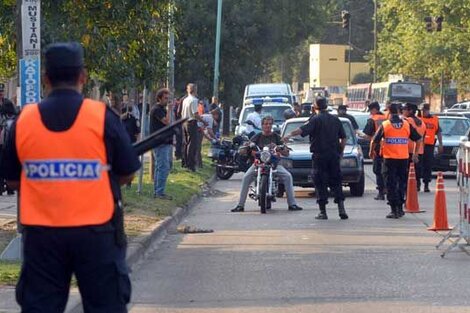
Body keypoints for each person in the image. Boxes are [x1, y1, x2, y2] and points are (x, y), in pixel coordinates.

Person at [3, 42, 141, 312]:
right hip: (96, 232)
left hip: (42, 235)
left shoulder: (24, 120)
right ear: (83, 76)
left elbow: (11, 180)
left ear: (45, 79)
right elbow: (127, 172)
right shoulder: (101, 117)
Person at [283, 97, 348, 220]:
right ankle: (341, 209)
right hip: (333, 155)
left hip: (320, 156)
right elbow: (344, 138)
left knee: (320, 182)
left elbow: (302, 130)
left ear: (314, 107)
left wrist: (289, 135)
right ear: (326, 106)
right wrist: (340, 152)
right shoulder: (335, 119)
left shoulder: (315, 119)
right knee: (336, 181)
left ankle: (323, 212)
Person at [231, 116, 303, 212]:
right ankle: (240, 205)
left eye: (269, 124)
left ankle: (292, 204)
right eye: (265, 124)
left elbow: (286, 151)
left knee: (288, 176)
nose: (267, 126)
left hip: (274, 165)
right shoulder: (257, 136)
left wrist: (281, 148)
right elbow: (248, 145)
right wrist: (248, 146)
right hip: (258, 164)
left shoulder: (276, 137)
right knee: (246, 177)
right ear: (262, 125)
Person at [370, 103, 421, 218]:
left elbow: (374, 141)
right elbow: (418, 139)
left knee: (390, 184)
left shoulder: (386, 124)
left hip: (389, 159)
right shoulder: (406, 124)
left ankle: (394, 209)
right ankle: (400, 208)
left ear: (389, 111)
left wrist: (371, 151)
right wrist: (415, 154)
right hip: (403, 158)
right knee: (401, 183)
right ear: (399, 111)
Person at [149, 88, 173, 200]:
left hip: (165, 142)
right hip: (159, 143)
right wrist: (169, 110)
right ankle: (159, 192)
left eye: (168, 98)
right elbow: (166, 121)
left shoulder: (162, 109)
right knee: (163, 167)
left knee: (163, 167)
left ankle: (158, 191)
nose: (167, 101)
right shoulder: (157, 109)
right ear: (159, 98)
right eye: (165, 98)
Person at [362, 101, 387, 200]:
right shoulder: (386, 118)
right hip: (387, 148)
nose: (370, 113)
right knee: (386, 170)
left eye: (371, 111)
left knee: (377, 170)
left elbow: (368, 136)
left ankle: (381, 192)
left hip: (377, 148)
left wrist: (362, 136)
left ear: (374, 109)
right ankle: (387, 188)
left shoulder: (373, 120)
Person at [181, 83, 206, 171]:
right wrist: (203, 121)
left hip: (184, 122)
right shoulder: (194, 100)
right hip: (191, 122)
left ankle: (184, 162)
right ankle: (190, 165)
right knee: (192, 144)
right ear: (195, 90)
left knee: (186, 143)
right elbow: (195, 114)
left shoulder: (185, 100)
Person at [401, 103, 426, 191]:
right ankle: (417, 185)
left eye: (404, 109)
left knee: (408, 171)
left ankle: (409, 186)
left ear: (410, 111)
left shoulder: (406, 121)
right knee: (417, 170)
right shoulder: (422, 122)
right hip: (420, 150)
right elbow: (423, 137)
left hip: (409, 150)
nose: (402, 111)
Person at [419, 103, 443, 192]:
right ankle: (417, 183)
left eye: (424, 110)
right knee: (418, 165)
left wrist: (440, 144)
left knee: (428, 165)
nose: (423, 112)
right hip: (419, 145)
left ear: (428, 110)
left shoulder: (434, 119)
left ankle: (426, 184)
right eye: (421, 110)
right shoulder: (418, 118)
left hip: (429, 145)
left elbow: (438, 132)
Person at [0, 83, 17, 195]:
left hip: (5, 135)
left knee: (5, 159)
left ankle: (9, 187)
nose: (1, 93)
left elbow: (13, 115)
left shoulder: (7, 103)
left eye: (1, 91)